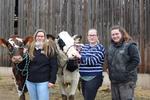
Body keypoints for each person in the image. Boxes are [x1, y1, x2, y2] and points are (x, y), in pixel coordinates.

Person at [107, 25, 140, 100]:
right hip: (114, 81)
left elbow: (136, 61)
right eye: (113, 34)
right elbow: (110, 61)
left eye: (117, 34)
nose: (115, 36)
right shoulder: (111, 46)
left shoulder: (130, 45)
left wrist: (125, 71)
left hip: (127, 81)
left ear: (122, 34)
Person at [26, 29, 58, 100]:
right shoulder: (30, 48)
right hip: (30, 81)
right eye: (38, 36)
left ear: (44, 37)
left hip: (43, 81)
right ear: (35, 37)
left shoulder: (50, 49)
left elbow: (54, 66)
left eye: (42, 36)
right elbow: (25, 64)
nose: (40, 38)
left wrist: (52, 80)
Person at [75, 29, 105, 100]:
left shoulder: (100, 48)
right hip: (83, 77)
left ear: (97, 36)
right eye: (90, 35)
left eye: (93, 35)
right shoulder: (84, 47)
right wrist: (75, 53)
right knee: (86, 98)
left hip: (94, 77)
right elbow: (79, 62)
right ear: (87, 37)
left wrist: (79, 56)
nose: (91, 37)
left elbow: (92, 61)